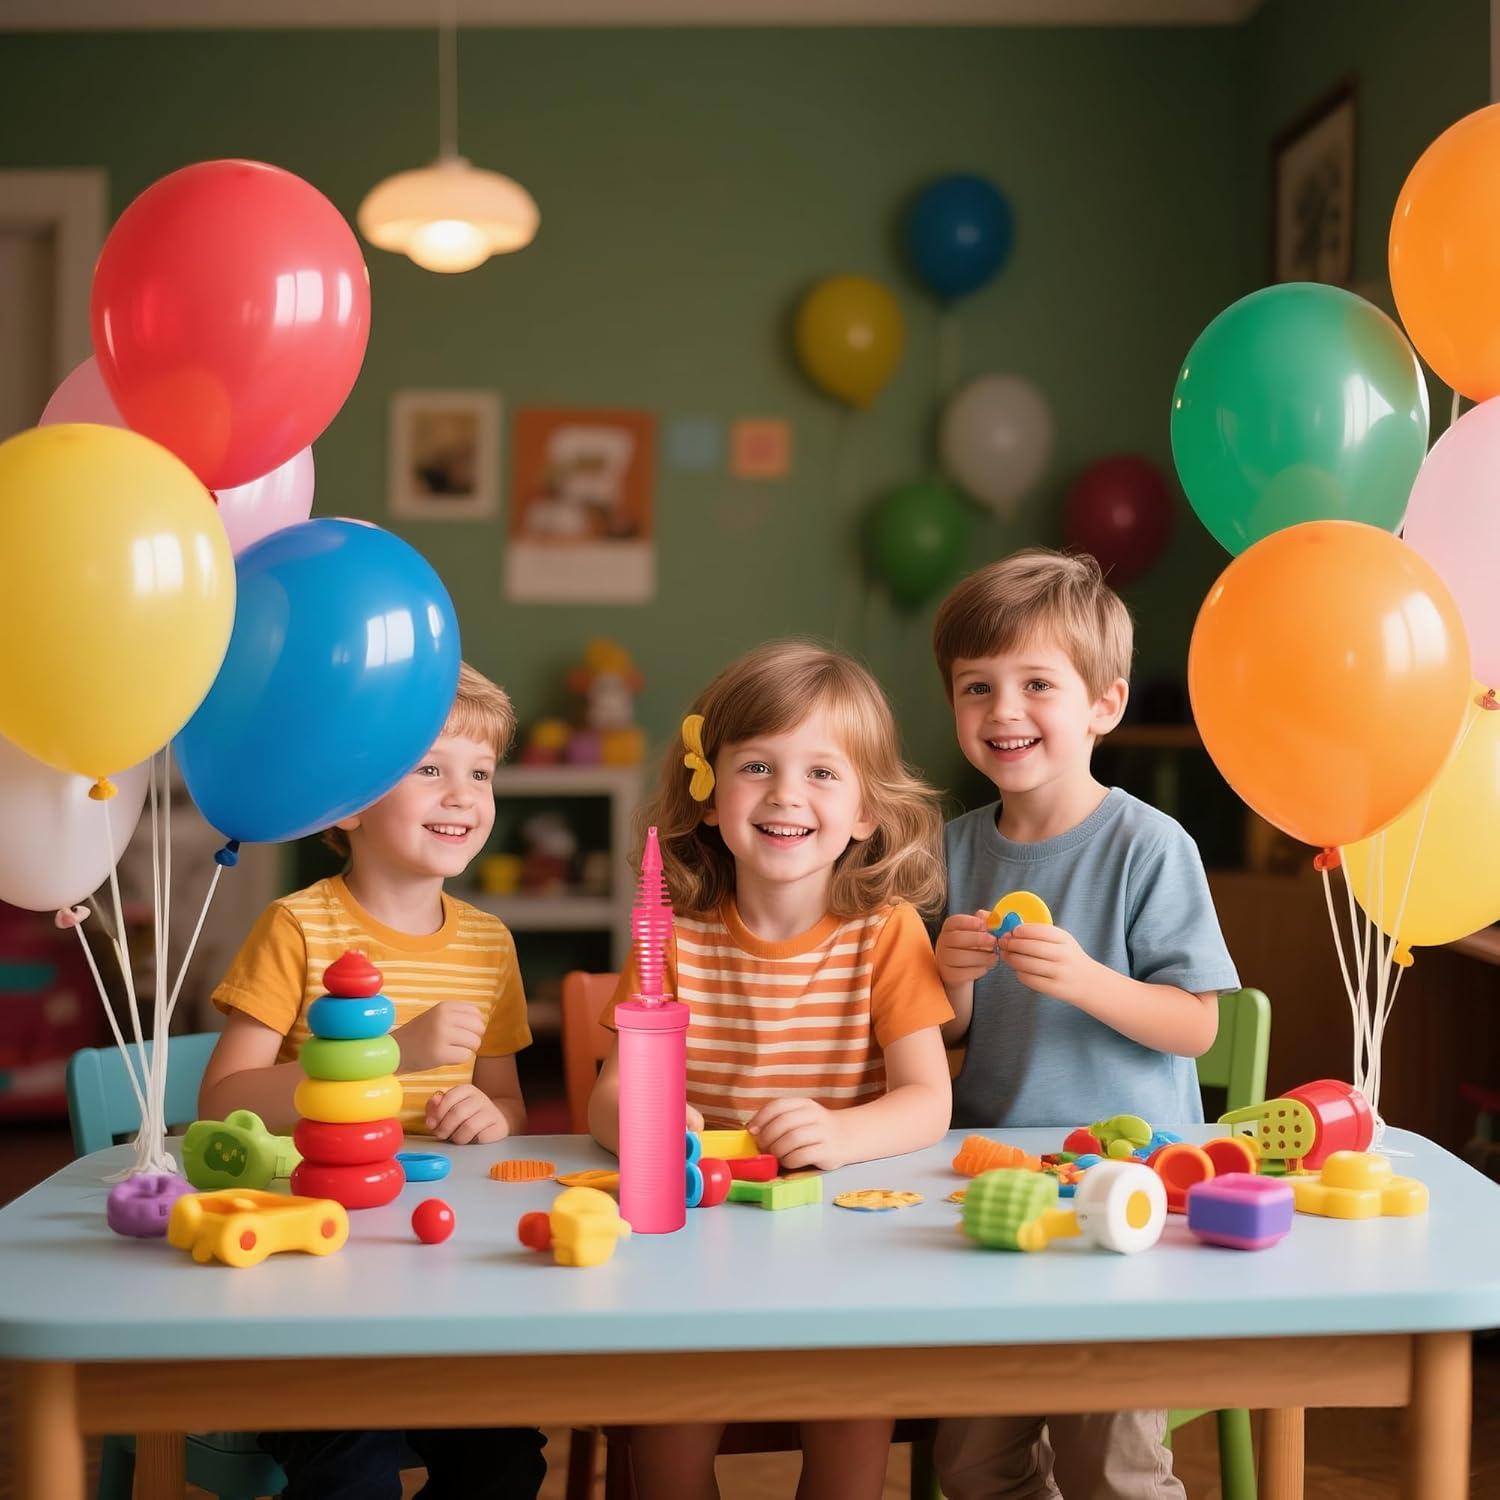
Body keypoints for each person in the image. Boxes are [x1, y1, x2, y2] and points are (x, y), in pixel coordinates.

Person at [588, 640, 953, 1500]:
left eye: (823, 772)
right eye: (757, 765)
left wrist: (841, 1131)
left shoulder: (887, 931)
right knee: (667, 1448)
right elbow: (611, 1090)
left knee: (851, 1434)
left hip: (850, 1250)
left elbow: (928, 1100)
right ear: (709, 798)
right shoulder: (670, 932)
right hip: (691, 1250)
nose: (787, 793)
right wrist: (641, 1115)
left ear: (866, 810)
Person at [930, 550, 1241, 1500]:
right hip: (990, 1185)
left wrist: (1089, 980)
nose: (1004, 710)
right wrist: (952, 985)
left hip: (1125, 1187)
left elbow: (1194, 1028)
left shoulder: (1150, 845)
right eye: (976, 687)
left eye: (1036, 684)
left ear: (1103, 705)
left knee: (1114, 1464)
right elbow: (935, 1047)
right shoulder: (947, 850)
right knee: (973, 1463)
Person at [198, 661, 545, 1500]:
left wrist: (486, 1116)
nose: (463, 795)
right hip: (309, 1296)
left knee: (508, 1458)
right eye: (429, 769)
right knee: (353, 1463)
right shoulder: (297, 926)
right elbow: (220, 1102)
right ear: (348, 801)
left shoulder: (489, 945)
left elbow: (508, 1107)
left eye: (481, 773)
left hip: (441, 1285)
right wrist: (389, 1050)